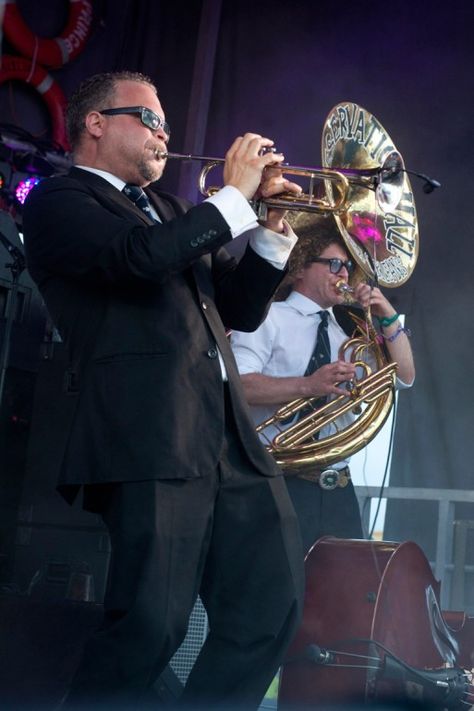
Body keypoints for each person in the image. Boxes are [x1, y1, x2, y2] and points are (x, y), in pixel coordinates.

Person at [22, 70, 305, 710]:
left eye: (168, 126)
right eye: (151, 120)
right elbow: (138, 258)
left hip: (228, 439)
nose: (165, 135)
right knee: (152, 626)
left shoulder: (176, 211)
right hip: (150, 436)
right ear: (96, 122)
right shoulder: (59, 202)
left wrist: (270, 226)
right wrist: (233, 196)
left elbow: (238, 308)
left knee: (271, 608)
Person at [230, 213, 415, 554]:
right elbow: (237, 387)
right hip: (278, 482)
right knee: (278, 592)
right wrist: (308, 386)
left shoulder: (350, 334)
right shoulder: (264, 317)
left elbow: (403, 377)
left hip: (337, 487)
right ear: (299, 266)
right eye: (333, 264)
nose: (344, 274)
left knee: (341, 595)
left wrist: (386, 314)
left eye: (347, 266)